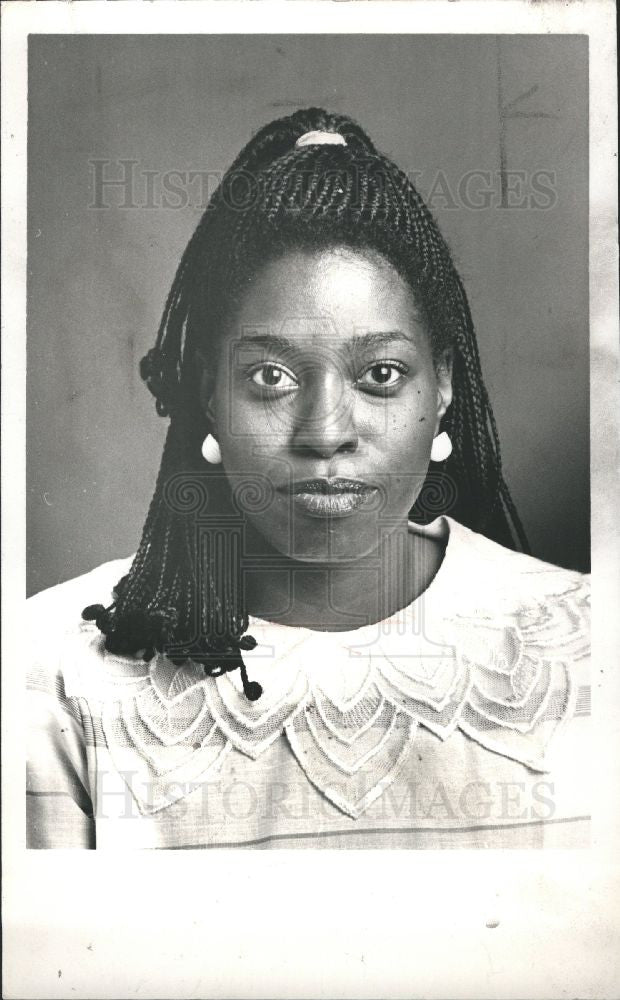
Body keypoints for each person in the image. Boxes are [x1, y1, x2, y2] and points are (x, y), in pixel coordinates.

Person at [27, 108, 590, 849]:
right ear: (208, 395)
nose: (326, 432)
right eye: (271, 376)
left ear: (443, 386)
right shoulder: (50, 675)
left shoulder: (587, 651)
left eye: (381, 375)